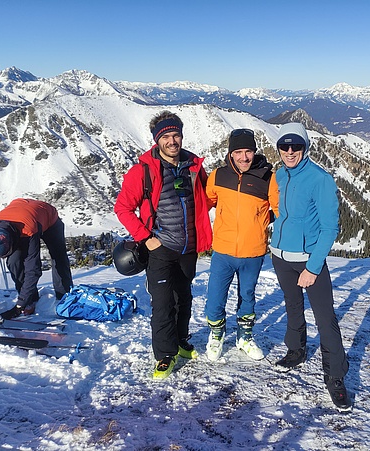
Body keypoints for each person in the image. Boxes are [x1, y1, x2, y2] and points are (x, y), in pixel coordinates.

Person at [115, 110, 212, 380]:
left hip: (188, 249)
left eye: (176, 135)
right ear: (158, 140)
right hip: (160, 249)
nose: (172, 141)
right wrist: (147, 238)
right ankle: (164, 356)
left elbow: (208, 197)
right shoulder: (143, 171)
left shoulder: (194, 166)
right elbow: (122, 208)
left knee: (184, 299)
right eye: (166, 136)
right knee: (162, 304)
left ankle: (181, 342)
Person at [269, 122, 352, 411]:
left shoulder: (320, 179)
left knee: (325, 318)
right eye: (284, 146)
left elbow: (330, 228)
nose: (290, 152)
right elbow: (283, 213)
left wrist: (313, 267)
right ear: (279, 148)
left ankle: (336, 376)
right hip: (280, 257)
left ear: (305, 148)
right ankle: (296, 350)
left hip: (308, 261)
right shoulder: (281, 174)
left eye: (296, 146)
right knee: (292, 306)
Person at [204, 128, 279, 361]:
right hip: (223, 251)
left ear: (255, 152)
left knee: (247, 296)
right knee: (215, 298)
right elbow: (207, 202)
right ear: (230, 154)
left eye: (248, 151)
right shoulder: (218, 176)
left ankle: (244, 336)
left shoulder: (268, 177)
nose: (244, 157)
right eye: (239, 152)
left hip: (253, 252)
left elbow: (278, 210)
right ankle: (217, 334)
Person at [0, 198, 73, 319]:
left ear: (11, 243)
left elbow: (33, 269)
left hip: (47, 216)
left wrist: (19, 305)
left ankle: (64, 297)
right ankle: (30, 299)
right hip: (19, 210)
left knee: (58, 257)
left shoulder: (29, 230)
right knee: (13, 261)